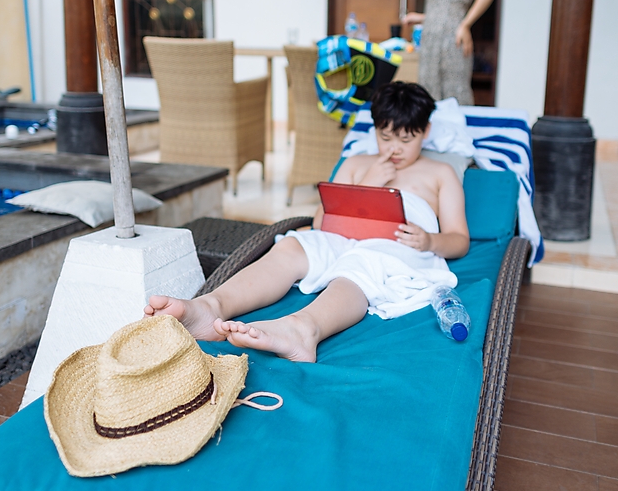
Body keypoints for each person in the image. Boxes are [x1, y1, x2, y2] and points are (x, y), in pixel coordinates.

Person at [144, 82, 469, 363]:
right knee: (291, 245)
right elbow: (320, 221)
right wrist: (368, 183)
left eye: (407, 139)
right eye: (386, 137)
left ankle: (302, 329)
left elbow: (459, 239)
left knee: (361, 263)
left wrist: (429, 241)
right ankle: (210, 307)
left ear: (426, 132)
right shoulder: (357, 164)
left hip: (398, 247)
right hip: (342, 236)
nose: (395, 148)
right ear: (375, 129)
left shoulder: (440, 174)